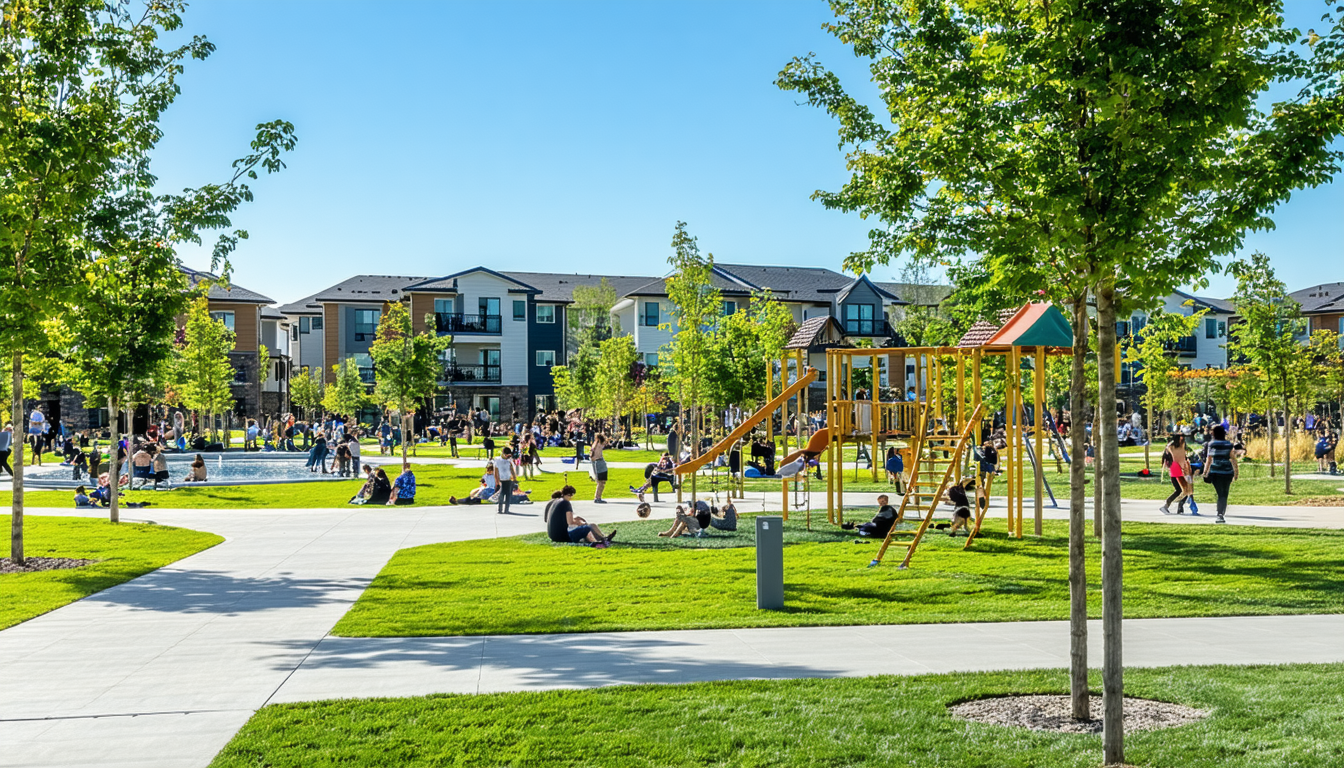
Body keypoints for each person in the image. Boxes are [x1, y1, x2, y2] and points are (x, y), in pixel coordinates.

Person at [544, 485, 614, 546]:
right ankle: (602, 539)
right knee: (588, 527)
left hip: (552, 535)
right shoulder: (566, 503)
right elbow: (570, 522)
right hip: (564, 536)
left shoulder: (553, 502)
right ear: (569, 495)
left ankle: (602, 538)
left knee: (585, 527)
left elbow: (546, 520)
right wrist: (580, 523)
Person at [1202, 424, 1238, 524]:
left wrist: (1205, 472)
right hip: (1227, 471)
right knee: (1224, 493)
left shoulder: (1211, 444)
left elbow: (1209, 459)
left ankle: (1220, 514)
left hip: (1215, 471)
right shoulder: (1228, 444)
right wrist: (1236, 472)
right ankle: (1221, 513)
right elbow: (1233, 459)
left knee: (1220, 493)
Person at [1159, 434, 1198, 515]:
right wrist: (1185, 468)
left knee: (1179, 490)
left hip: (1174, 469)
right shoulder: (1176, 447)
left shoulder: (1171, 446)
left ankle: (1173, 506)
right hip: (1179, 469)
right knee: (1186, 489)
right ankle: (1173, 505)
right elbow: (1178, 459)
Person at [493, 447, 517, 514]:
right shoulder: (497, 460)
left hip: (508, 479)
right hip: (501, 480)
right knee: (501, 494)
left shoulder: (509, 461)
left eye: (509, 456)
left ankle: (507, 509)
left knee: (508, 495)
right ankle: (500, 509)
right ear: (503, 454)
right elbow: (496, 471)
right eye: (507, 455)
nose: (508, 457)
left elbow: (512, 469)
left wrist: (514, 478)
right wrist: (497, 481)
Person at [590, 433, 609, 503]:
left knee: (601, 481)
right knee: (601, 481)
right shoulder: (599, 444)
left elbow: (592, 455)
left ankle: (598, 496)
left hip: (598, 462)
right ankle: (597, 497)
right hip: (599, 463)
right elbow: (595, 456)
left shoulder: (595, 444)